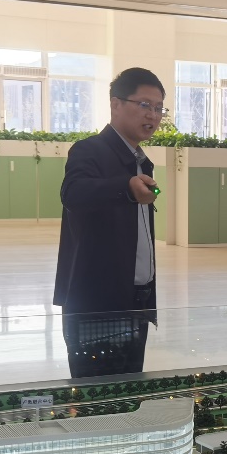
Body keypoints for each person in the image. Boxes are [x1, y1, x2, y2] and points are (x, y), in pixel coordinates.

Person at [53, 67, 163, 378]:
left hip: (136, 298)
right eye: (144, 104)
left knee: (129, 387)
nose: (152, 115)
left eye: (159, 108)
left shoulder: (141, 160)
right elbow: (73, 193)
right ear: (116, 104)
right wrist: (125, 187)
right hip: (98, 301)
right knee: (98, 393)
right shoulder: (89, 150)